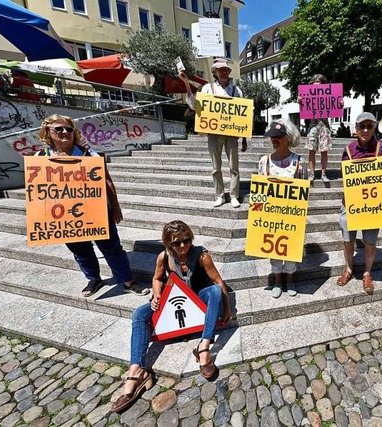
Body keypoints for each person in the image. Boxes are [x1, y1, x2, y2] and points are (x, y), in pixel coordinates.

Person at [111, 220, 232, 413]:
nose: (183, 246)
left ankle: (204, 347)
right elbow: (157, 278)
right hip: (174, 299)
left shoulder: (202, 256)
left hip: (197, 298)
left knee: (216, 292)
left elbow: (218, 281)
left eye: (187, 240)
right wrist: (157, 295)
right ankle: (137, 370)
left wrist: (227, 309)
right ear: (168, 244)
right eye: (177, 243)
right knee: (140, 314)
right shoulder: (163, 257)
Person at [36, 115, 149, 297]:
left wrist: (115, 207)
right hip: (65, 215)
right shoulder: (40, 158)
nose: (65, 132)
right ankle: (94, 278)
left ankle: (127, 281)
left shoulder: (89, 154)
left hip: (95, 210)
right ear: (48, 132)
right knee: (80, 249)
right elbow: (39, 192)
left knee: (111, 247)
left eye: (69, 129)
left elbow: (107, 181)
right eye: (59, 129)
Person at [336, 112, 382, 294]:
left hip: (374, 204)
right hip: (351, 202)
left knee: (370, 241)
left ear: (374, 128)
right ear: (356, 129)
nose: (366, 130)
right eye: (362, 126)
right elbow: (345, 176)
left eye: (369, 126)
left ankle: (367, 273)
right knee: (348, 239)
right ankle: (349, 269)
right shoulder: (348, 149)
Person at [180, 58, 247, 208]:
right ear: (215, 72)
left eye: (226, 69)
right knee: (216, 167)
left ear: (229, 72)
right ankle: (220, 195)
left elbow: (244, 116)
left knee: (234, 166)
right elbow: (194, 105)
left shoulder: (237, 91)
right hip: (214, 133)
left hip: (232, 134)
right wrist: (186, 84)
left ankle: (234, 195)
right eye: (220, 69)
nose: (223, 72)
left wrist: (244, 139)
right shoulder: (207, 89)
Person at [258, 119, 307, 298]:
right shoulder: (264, 161)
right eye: (272, 136)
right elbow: (260, 191)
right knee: (274, 250)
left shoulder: (299, 162)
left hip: (292, 216)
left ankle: (290, 278)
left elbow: (304, 191)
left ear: (288, 137)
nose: (274, 139)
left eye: (279, 136)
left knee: (292, 249)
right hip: (271, 217)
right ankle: (278, 280)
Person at [301, 74, 333, 183]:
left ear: (323, 83)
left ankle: (323, 173)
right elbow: (303, 107)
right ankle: (312, 173)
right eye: (314, 81)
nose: (316, 83)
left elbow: (334, 105)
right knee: (311, 150)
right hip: (312, 126)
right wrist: (300, 101)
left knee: (324, 151)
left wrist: (340, 104)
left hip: (324, 125)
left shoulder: (328, 95)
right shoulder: (308, 94)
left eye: (318, 81)